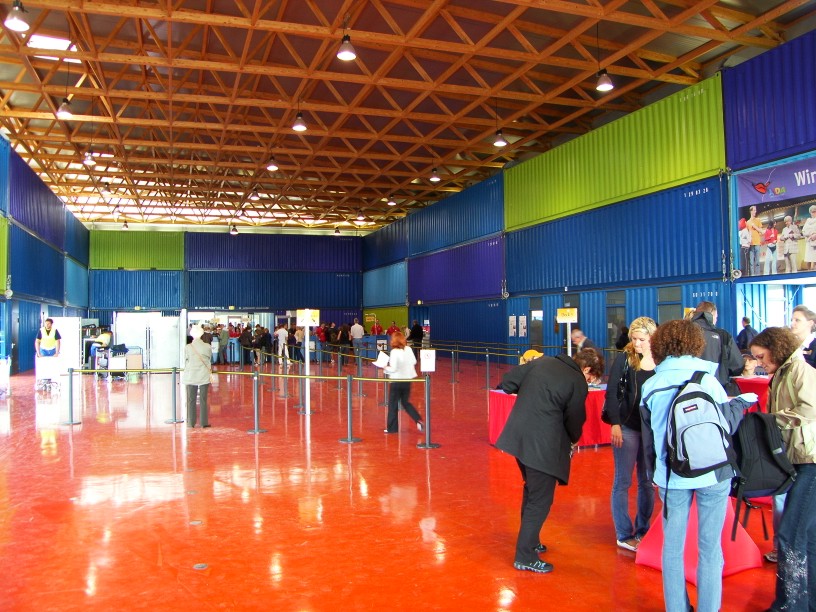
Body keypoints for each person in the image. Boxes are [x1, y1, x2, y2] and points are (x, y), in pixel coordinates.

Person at [640, 319, 754, 612]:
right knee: (710, 548)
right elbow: (725, 426)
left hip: (672, 476)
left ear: (659, 345)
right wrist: (741, 403)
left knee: (672, 549)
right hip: (713, 472)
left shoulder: (651, 386)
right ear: (695, 344)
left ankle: (677, 608)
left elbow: (650, 439)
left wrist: (655, 474)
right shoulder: (709, 381)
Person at [496, 348, 605, 574]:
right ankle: (525, 556)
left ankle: (531, 541)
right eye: (591, 378)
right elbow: (575, 419)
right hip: (543, 447)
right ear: (586, 369)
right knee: (540, 500)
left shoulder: (542, 362)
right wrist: (574, 439)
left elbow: (507, 383)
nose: (589, 382)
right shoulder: (577, 381)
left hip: (518, 438)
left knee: (532, 491)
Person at [749, 327, 816, 610]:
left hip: (810, 461)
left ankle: (790, 605)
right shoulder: (782, 374)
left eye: (761, 356)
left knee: (790, 534)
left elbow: (811, 408)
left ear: (775, 349)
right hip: (799, 460)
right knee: (806, 537)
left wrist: (772, 421)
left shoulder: (800, 370)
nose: (759, 363)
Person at [604, 316, 657, 552]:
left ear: (652, 338)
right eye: (634, 339)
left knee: (647, 481)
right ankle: (624, 533)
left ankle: (643, 529)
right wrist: (615, 423)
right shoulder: (625, 359)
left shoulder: (661, 360)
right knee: (623, 481)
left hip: (651, 429)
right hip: (627, 426)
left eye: (641, 339)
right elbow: (612, 391)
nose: (636, 343)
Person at [690, 301, 744, 395]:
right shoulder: (723, 335)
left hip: (687, 391)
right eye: (716, 317)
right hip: (717, 391)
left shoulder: (681, 334)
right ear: (712, 315)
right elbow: (737, 366)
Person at [383, 331, 424, 434]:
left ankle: (392, 428)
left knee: (393, 405)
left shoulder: (394, 352)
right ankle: (418, 419)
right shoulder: (408, 349)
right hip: (407, 380)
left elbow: (393, 368)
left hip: (396, 381)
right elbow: (414, 361)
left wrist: (385, 368)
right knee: (405, 402)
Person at [184, 325, 212, 428]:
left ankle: (191, 422)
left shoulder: (188, 347)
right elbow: (209, 358)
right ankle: (203, 422)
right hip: (204, 374)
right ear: (202, 334)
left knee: (191, 399)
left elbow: (186, 360)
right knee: (203, 399)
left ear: (192, 335)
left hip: (191, 375)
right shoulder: (207, 346)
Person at [747, 205, 764, 276]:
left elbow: (762, 231)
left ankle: (757, 275)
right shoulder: (748, 222)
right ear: (751, 211)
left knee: (757, 261)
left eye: (755, 210)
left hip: (757, 243)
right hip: (751, 243)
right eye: (754, 210)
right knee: (751, 262)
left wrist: (755, 227)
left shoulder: (758, 220)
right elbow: (747, 233)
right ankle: (752, 275)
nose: (755, 211)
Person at [803, 204, 816, 270]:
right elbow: (803, 231)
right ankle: (809, 271)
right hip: (809, 242)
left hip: (815, 242)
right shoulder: (808, 221)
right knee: (808, 259)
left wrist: (815, 234)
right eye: (812, 212)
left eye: (814, 211)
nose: (813, 213)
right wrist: (810, 234)